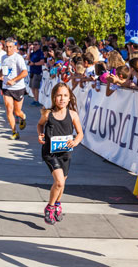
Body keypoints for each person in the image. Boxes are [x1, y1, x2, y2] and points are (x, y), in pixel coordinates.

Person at [37, 83, 84, 225]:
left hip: (65, 153)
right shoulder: (48, 114)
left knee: (62, 184)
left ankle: (57, 204)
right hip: (50, 153)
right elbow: (40, 125)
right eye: (59, 95)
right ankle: (50, 207)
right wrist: (40, 135)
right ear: (53, 97)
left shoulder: (73, 114)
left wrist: (75, 142)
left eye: (65, 96)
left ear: (69, 98)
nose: (62, 99)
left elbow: (80, 133)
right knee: (59, 182)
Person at [0, 38, 28, 140]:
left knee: (17, 112)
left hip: (18, 87)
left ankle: (23, 117)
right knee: (9, 109)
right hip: (6, 87)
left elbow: (25, 72)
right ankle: (14, 132)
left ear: (14, 47)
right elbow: (3, 69)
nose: (8, 49)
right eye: (6, 46)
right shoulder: (3, 57)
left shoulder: (18, 58)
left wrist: (14, 80)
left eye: (10, 47)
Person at [27, 41, 45, 106]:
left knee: (36, 87)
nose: (34, 45)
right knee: (32, 87)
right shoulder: (33, 53)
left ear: (39, 46)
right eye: (33, 44)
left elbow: (42, 62)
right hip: (32, 71)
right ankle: (35, 99)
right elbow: (27, 58)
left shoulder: (40, 53)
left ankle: (37, 100)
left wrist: (34, 63)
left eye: (36, 44)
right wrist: (29, 50)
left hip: (37, 72)